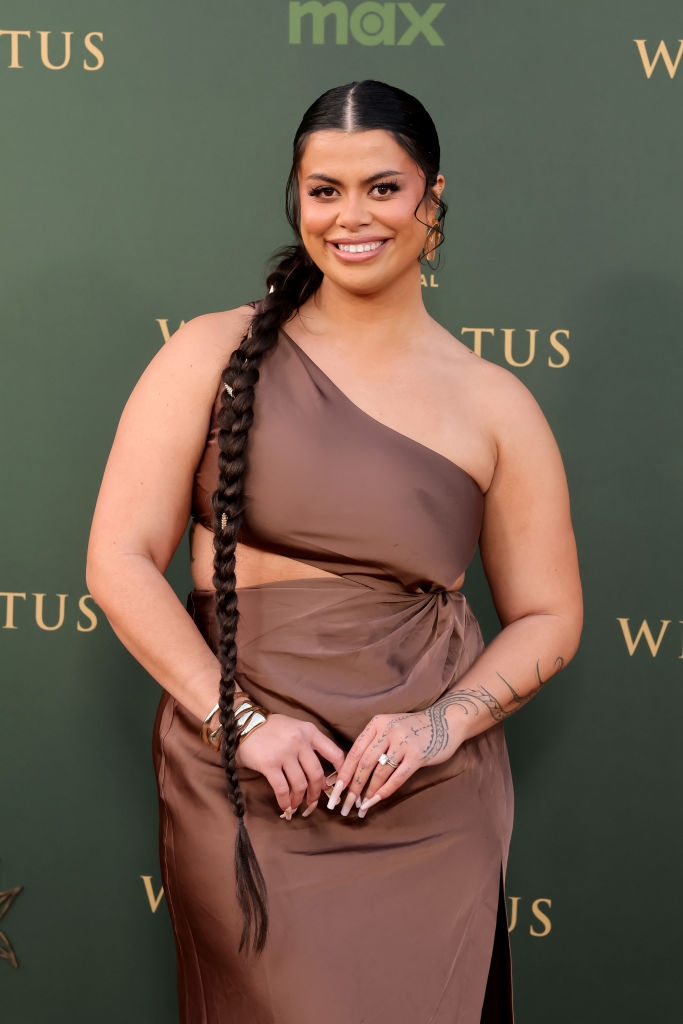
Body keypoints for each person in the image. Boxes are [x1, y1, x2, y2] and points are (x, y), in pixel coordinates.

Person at [87, 80, 582, 1024]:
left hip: (426, 794)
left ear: (431, 200)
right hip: (243, 772)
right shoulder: (209, 352)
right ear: (297, 200)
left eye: (382, 188)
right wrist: (242, 725)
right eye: (324, 190)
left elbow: (552, 616)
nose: (351, 216)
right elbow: (117, 559)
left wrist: (441, 726)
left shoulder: (495, 403)